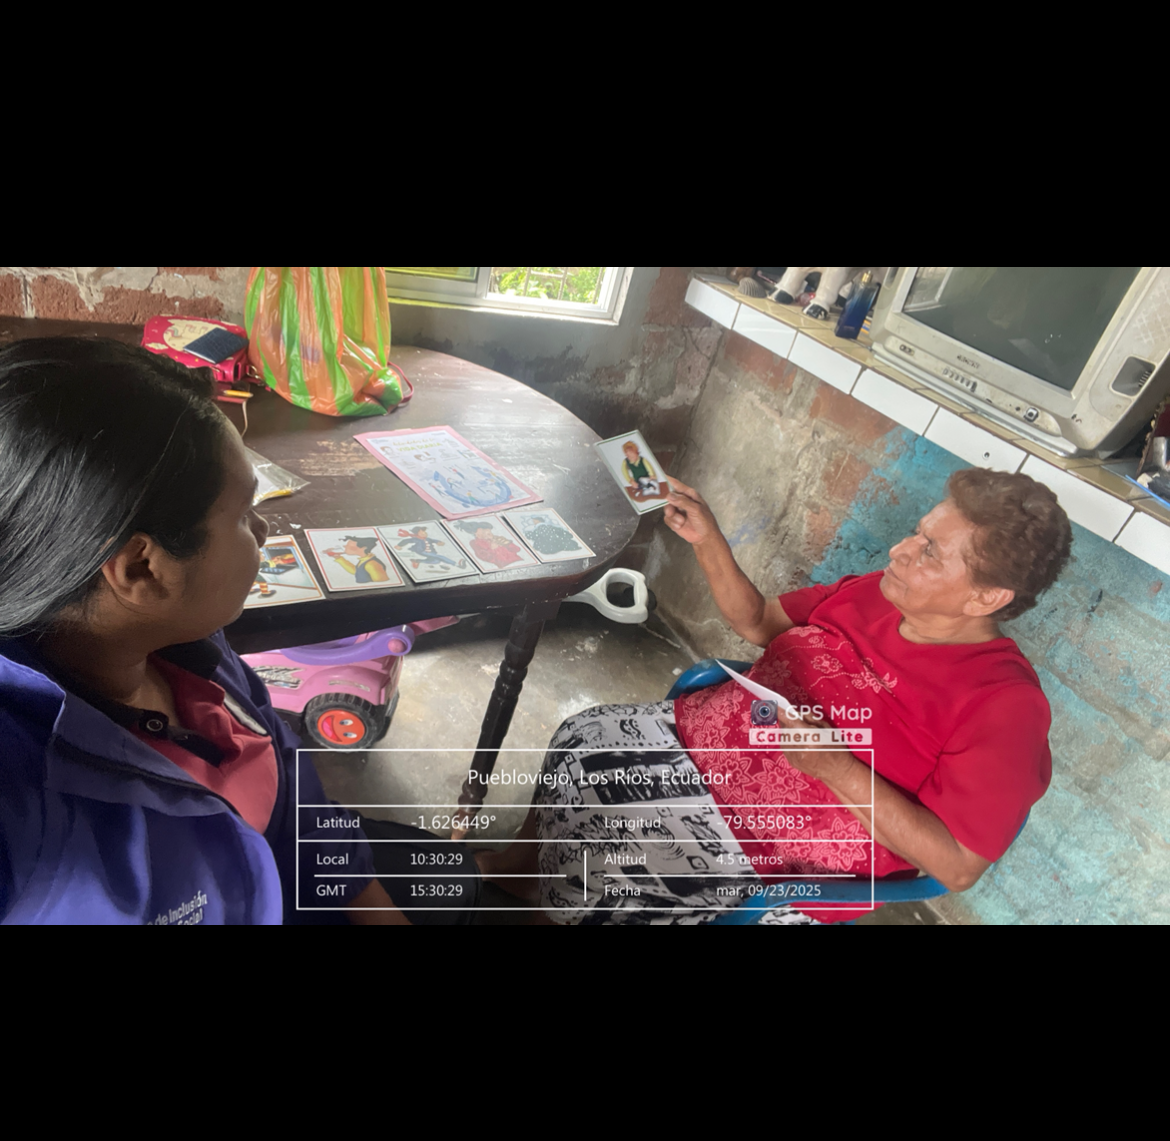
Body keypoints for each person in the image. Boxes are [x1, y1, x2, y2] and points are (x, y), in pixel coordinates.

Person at [0, 339, 480, 925]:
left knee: (454, 882)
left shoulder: (190, 650)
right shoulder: (22, 798)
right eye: (244, 514)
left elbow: (294, 790)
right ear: (142, 568)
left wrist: (369, 904)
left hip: (300, 884)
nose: (264, 528)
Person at [473, 467, 1072, 924]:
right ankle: (523, 868)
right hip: (717, 740)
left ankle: (555, 906)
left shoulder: (1005, 706)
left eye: (931, 553)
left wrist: (835, 767)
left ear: (986, 597)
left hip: (778, 839)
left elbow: (958, 866)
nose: (900, 550)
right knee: (583, 740)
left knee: (614, 867)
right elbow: (760, 621)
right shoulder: (877, 591)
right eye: (918, 532)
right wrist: (708, 540)